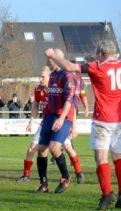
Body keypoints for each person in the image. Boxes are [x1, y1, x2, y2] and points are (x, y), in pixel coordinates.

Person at [46, 39, 121, 210]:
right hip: (120, 119)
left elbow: (69, 66)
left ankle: (107, 194)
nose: (97, 55)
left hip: (103, 120)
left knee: (101, 158)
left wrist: (53, 56)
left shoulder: (98, 66)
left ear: (102, 53)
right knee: (118, 156)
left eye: (98, 53)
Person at [34, 48, 76, 194]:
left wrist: (62, 118)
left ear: (58, 59)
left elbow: (70, 100)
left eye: (50, 59)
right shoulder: (52, 76)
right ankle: (44, 184)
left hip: (63, 117)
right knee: (41, 149)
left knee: (54, 147)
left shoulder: (67, 76)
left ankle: (66, 176)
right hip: (49, 117)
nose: (48, 61)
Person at [17, 66, 50, 182]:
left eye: (43, 77)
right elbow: (35, 105)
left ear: (49, 77)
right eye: (39, 76)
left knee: (65, 148)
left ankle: (75, 173)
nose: (40, 79)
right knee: (32, 149)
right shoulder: (37, 89)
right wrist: (31, 122)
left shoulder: (55, 89)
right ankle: (26, 176)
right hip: (45, 123)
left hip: (58, 123)